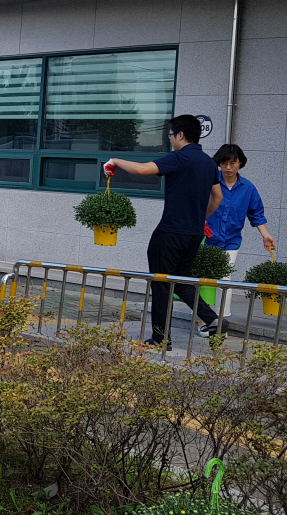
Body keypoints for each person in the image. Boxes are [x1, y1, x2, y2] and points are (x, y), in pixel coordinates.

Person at [105, 115, 223, 347]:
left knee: (160, 283)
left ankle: (160, 338)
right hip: (193, 235)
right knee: (179, 282)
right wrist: (199, 218)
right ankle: (211, 319)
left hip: (170, 233)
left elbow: (141, 170)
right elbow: (217, 197)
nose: (170, 140)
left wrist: (115, 161)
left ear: (180, 135)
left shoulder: (178, 158)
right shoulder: (209, 163)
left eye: (170, 135)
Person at [205, 144, 276, 319]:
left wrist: (265, 234)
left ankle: (222, 319)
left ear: (240, 163)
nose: (228, 168)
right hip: (206, 239)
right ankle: (202, 319)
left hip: (231, 241)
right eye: (224, 163)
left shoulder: (248, 188)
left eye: (233, 163)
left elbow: (256, 214)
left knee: (226, 278)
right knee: (204, 280)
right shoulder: (209, 183)